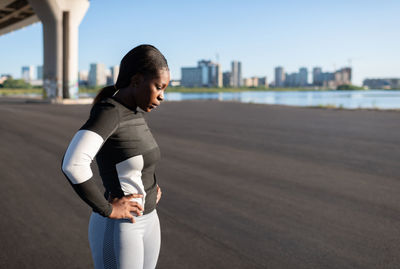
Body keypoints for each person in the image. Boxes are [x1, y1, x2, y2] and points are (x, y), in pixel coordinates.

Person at [61, 44, 170, 269]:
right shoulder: (109, 113)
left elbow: (136, 160)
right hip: (122, 226)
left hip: (149, 220)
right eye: (159, 87)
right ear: (137, 80)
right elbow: (73, 164)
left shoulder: (134, 113)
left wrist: (151, 187)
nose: (162, 97)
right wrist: (108, 209)